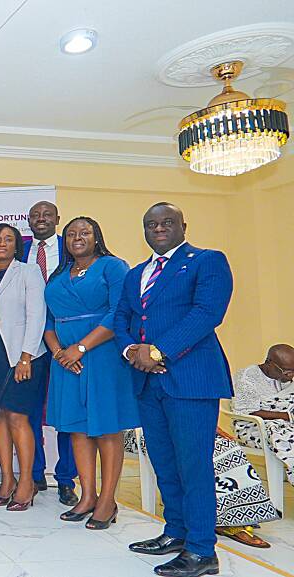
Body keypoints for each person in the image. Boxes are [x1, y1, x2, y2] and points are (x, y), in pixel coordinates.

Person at [116, 202, 233, 577]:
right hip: (148, 382)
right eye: (151, 224)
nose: (159, 228)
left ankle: (202, 551)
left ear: (183, 225)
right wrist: (131, 349)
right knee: (165, 463)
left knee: (192, 465)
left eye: (167, 222)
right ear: (145, 230)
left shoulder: (207, 261)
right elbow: (123, 317)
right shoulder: (136, 273)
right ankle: (177, 533)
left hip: (191, 380)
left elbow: (206, 313)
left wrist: (157, 350)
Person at [43, 216, 137, 529]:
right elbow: (48, 321)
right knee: (78, 429)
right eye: (70, 234)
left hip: (102, 356)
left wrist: (80, 348)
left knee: (106, 427)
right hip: (65, 362)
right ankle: (87, 496)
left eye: (84, 232)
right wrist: (59, 353)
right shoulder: (58, 274)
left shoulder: (112, 266)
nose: (77, 237)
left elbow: (118, 313)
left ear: (96, 237)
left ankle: (108, 501)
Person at [0, 224, 48, 512]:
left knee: (18, 417)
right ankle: (6, 480)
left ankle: (26, 483)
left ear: (17, 245)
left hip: (23, 355)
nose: (2, 244)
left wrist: (26, 356)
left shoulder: (28, 272)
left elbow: (37, 315)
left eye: (8, 239)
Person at [125, 428, 280, 549]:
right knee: (201, 452)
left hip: (179, 418)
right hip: (143, 426)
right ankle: (218, 518)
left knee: (225, 445)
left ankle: (233, 516)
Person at [21, 200, 78, 506]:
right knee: (27, 411)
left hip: (63, 343)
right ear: (28, 221)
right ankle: (34, 472)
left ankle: (66, 479)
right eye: (35, 215)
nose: (40, 219)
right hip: (28, 345)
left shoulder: (71, 250)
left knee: (66, 413)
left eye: (46, 215)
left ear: (57, 218)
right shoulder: (19, 250)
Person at [232, 344, 294, 487]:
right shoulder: (246, 379)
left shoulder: (286, 377)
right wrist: (286, 416)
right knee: (283, 436)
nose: (291, 376)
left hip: (286, 423)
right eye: (286, 372)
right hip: (254, 427)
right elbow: (247, 411)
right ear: (269, 363)